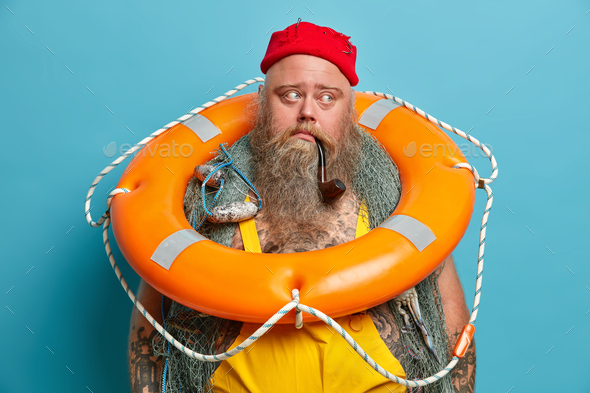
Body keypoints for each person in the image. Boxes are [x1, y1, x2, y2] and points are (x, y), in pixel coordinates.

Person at [128, 21, 476, 393]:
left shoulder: (395, 197)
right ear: (263, 101)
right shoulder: (208, 195)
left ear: (349, 109)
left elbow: (452, 327)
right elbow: (150, 327)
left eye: (327, 97)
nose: (308, 111)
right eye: (290, 94)